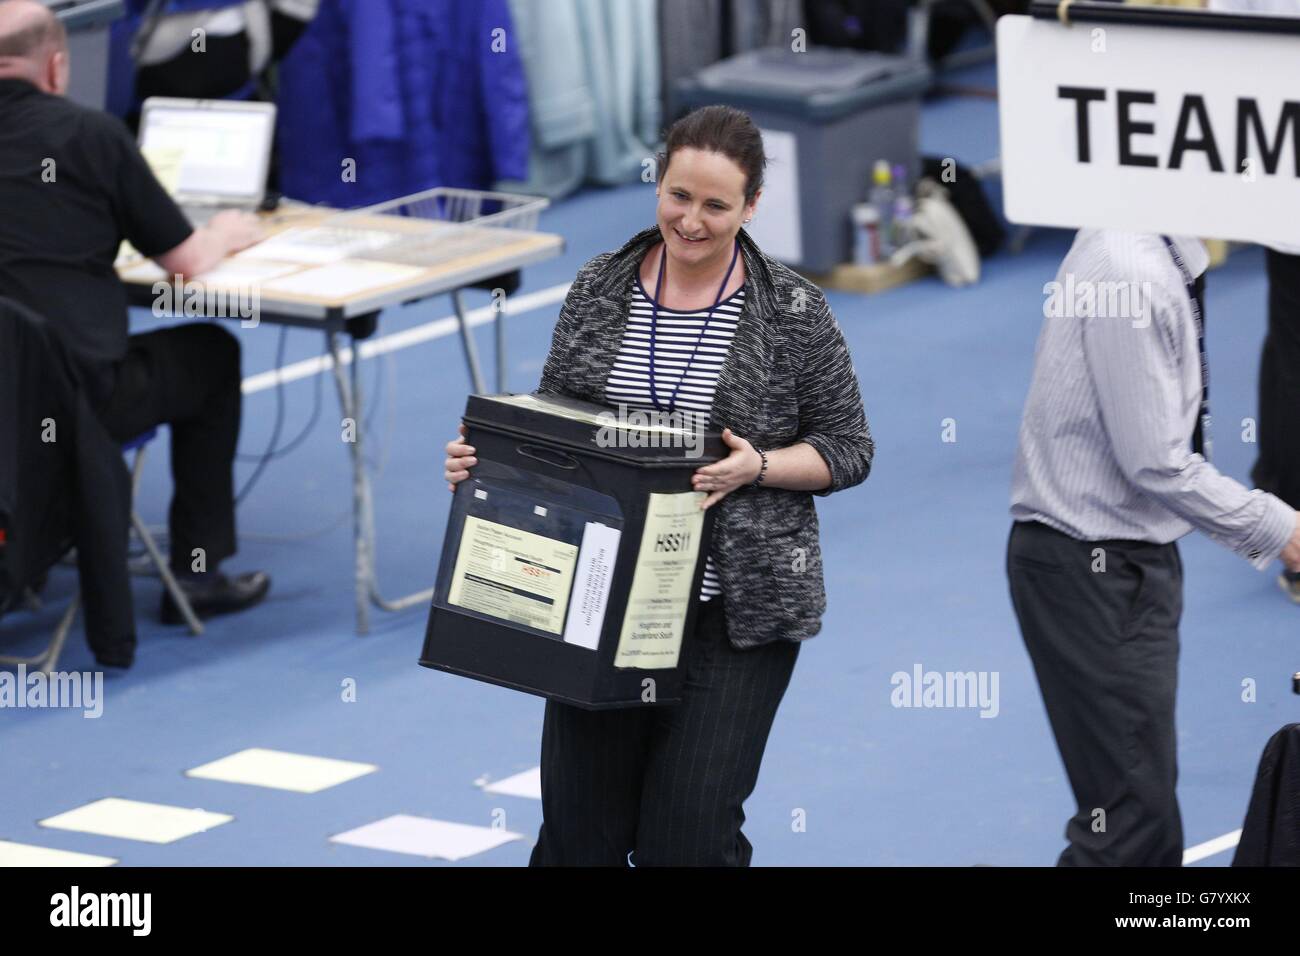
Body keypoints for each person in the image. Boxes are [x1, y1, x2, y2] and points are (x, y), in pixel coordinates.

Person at [444, 105, 874, 866]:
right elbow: (554, 429)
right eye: (679, 196)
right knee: (581, 840)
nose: (692, 220)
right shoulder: (598, 287)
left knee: (688, 842)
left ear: (751, 207)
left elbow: (848, 448)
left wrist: (762, 466)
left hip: (733, 613)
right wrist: (486, 468)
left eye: (717, 205)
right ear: (658, 184)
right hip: (601, 604)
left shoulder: (795, 312)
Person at [1007, 228, 1300, 866]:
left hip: (1119, 562)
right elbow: (1157, 464)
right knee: (1131, 829)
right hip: (1094, 567)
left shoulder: (1161, 252)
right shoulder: (1131, 273)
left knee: (1137, 817)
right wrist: (1284, 532)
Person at [0, 0, 271, 639]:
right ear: (58, 67)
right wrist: (227, 231)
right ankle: (198, 575)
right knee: (210, 351)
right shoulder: (90, 135)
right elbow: (185, 263)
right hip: (76, 400)